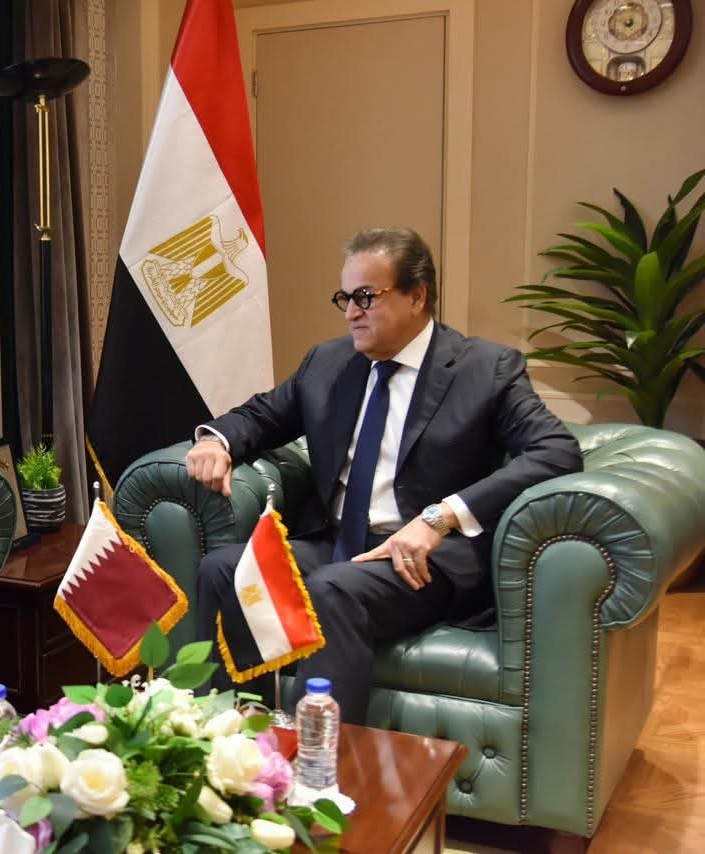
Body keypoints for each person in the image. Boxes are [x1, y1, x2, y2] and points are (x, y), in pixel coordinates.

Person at [186, 227, 582, 725]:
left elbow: (556, 450)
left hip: (423, 562)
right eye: (345, 298)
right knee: (222, 569)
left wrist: (441, 517)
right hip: (336, 543)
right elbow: (263, 416)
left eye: (366, 297)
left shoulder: (485, 369)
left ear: (417, 296)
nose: (351, 312)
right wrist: (216, 442)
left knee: (333, 588)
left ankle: (320, 761)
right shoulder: (328, 363)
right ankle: (228, 739)